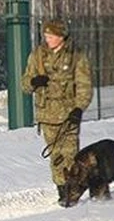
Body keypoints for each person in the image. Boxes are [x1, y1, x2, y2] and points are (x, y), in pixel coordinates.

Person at [21, 19, 93, 207]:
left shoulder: (76, 57)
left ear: (61, 37)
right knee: (56, 156)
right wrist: (34, 82)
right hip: (47, 115)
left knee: (70, 155)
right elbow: (24, 83)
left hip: (69, 115)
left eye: (52, 36)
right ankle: (62, 189)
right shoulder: (37, 56)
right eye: (46, 36)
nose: (48, 39)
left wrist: (79, 108)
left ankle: (72, 189)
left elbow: (84, 86)